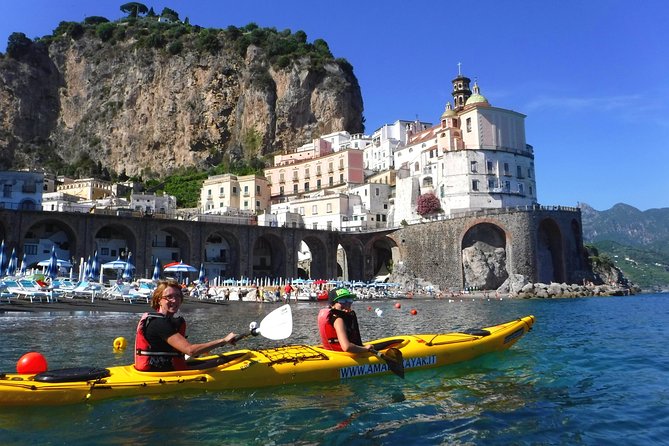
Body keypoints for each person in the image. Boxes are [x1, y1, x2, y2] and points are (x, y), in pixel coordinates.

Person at [135, 279, 237, 372]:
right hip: (159, 371)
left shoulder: (163, 320)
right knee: (229, 361)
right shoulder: (159, 323)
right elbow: (191, 350)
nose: (174, 300)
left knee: (232, 357)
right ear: (158, 300)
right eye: (169, 297)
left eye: (178, 296)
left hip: (163, 367)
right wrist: (224, 340)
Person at [318, 287, 373, 354]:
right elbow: (346, 347)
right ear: (332, 305)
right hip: (343, 355)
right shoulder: (338, 320)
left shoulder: (332, 316)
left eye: (349, 300)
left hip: (331, 352)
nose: (347, 303)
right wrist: (365, 349)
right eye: (342, 300)